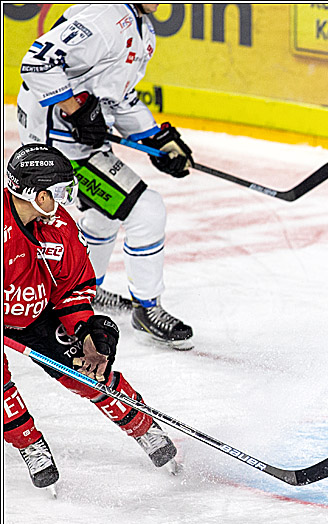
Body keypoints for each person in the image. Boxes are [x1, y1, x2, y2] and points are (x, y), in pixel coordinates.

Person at [17, 3, 195, 350]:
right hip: (59, 148)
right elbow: (37, 63)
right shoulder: (105, 16)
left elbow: (119, 97)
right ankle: (147, 308)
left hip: (78, 145)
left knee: (102, 216)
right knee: (146, 210)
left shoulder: (141, 29)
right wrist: (77, 109)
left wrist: (155, 138)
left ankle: (84, 293)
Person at [4, 143, 178, 489]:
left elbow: (72, 290)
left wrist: (87, 334)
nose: (66, 199)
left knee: (88, 372)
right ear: (36, 194)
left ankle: (144, 427)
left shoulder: (60, 229)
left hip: (36, 314)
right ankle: (30, 444)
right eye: (58, 191)